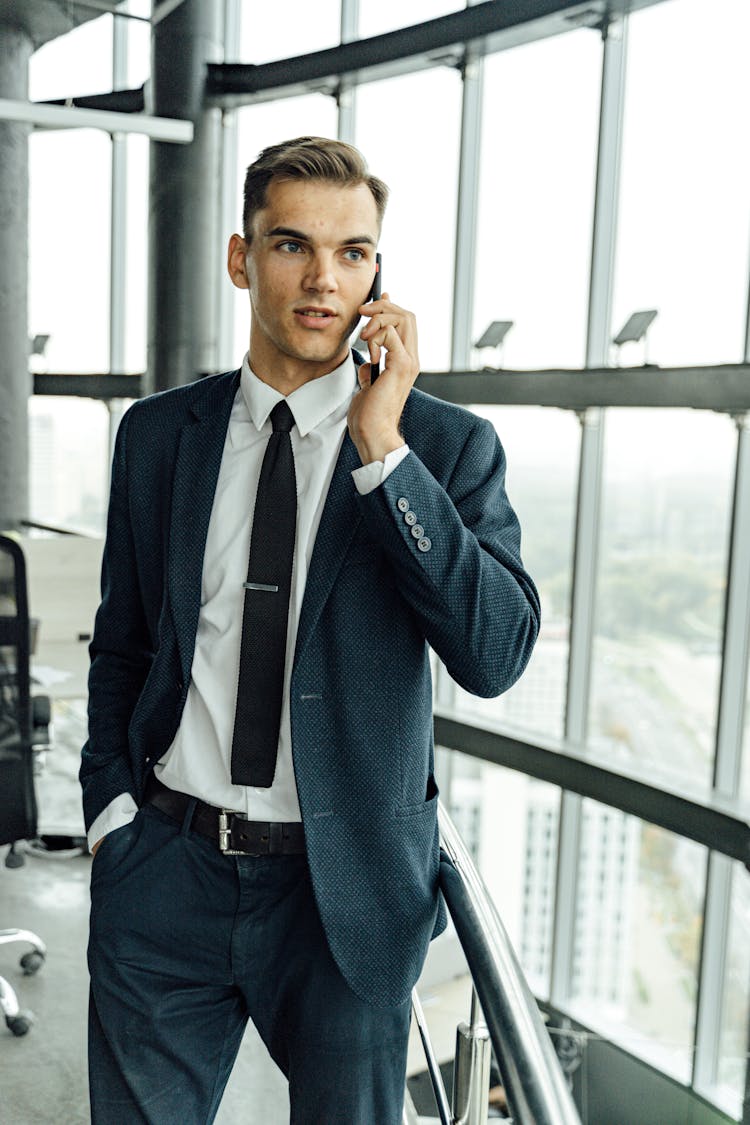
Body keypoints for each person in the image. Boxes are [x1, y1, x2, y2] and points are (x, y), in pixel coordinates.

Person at [80, 135, 540, 1125]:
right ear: (245, 259)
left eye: (354, 253)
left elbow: (495, 653)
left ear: (378, 271)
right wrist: (110, 809)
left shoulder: (447, 448)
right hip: (166, 872)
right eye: (293, 246)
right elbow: (123, 638)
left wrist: (383, 450)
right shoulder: (161, 435)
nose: (324, 279)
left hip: (345, 901)